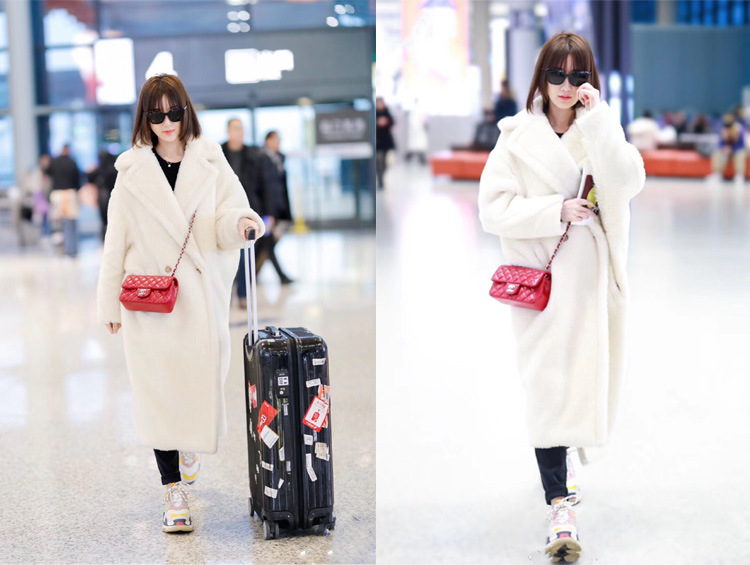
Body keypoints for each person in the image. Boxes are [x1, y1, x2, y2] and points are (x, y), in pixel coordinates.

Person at [477, 32, 645, 563]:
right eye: (557, 74)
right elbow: (492, 209)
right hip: (543, 285)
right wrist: (555, 210)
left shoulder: (600, 127)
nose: (566, 86)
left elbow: (628, 181)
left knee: (580, 380)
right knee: (547, 387)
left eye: (578, 75)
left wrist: (601, 123)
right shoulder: (516, 137)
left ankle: (564, 468)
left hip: (591, 283)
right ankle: (560, 506)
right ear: (542, 77)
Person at [97, 74, 264, 534]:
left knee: (198, 381)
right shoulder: (131, 170)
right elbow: (115, 241)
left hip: (197, 300)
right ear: (145, 118)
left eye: (175, 111)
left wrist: (241, 224)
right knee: (158, 394)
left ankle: (188, 444)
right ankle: (172, 491)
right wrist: (108, 303)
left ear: (186, 111)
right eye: (157, 114)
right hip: (148, 301)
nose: (167, 122)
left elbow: (227, 213)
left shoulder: (209, 158)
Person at [221, 118, 269, 305]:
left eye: (241, 128)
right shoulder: (219, 154)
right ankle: (226, 295)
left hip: (249, 210)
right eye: (235, 128)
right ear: (228, 131)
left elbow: (263, 185)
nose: (238, 132)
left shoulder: (254, 154)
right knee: (225, 255)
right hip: (224, 211)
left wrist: (268, 213)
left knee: (245, 254)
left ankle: (242, 294)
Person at [259, 130, 294, 284]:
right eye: (276, 140)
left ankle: (251, 273)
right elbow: (266, 188)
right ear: (268, 140)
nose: (278, 143)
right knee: (268, 242)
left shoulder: (278, 159)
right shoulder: (262, 159)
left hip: (276, 209)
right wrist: (269, 213)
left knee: (264, 244)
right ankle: (281, 276)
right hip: (267, 211)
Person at [46, 144, 81, 257]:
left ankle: (61, 249)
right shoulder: (72, 162)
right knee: (71, 222)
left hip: (57, 195)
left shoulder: (54, 162)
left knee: (58, 224)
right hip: (70, 194)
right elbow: (78, 180)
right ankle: (72, 249)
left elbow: (47, 172)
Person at [87, 150, 118, 240]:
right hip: (113, 198)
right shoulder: (114, 169)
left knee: (104, 221)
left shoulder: (99, 170)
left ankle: (105, 239)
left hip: (103, 198)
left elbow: (90, 180)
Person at [710, 113, 746, 183]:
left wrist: (732, 148)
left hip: (737, 149)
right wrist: (724, 148)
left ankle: (739, 175)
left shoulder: (739, 129)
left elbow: (742, 144)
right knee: (717, 152)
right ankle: (717, 173)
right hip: (727, 150)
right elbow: (720, 143)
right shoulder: (723, 129)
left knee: (740, 153)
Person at [375, 96, 395, 190]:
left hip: (386, 142)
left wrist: (386, 122)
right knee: (379, 161)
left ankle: (382, 176)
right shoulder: (375, 113)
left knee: (386, 163)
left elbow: (393, 122)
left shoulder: (387, 111)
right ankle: (380, 180)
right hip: (378, 142)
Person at [405, 98, 429, 164]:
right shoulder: (413, 111)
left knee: (419, 147)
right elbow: (413, 122)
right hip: (415, 133)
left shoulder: (421, 110)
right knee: (413, 147)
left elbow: (425, 121)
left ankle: (421, 159)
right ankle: (408, 158)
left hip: (420, 132)